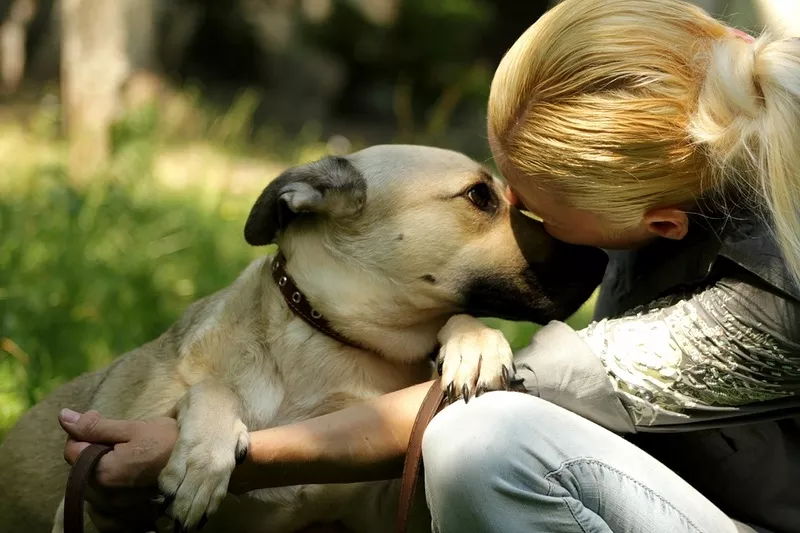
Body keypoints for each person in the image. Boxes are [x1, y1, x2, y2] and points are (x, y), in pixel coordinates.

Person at [58, 0, 800, 532]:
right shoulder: (694, 173)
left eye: (531, 205)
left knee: (483, 442)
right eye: (496, 195)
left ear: (657, 221)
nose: (524, 220)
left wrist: (217, 454)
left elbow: (487, 401)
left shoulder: (768, 293)